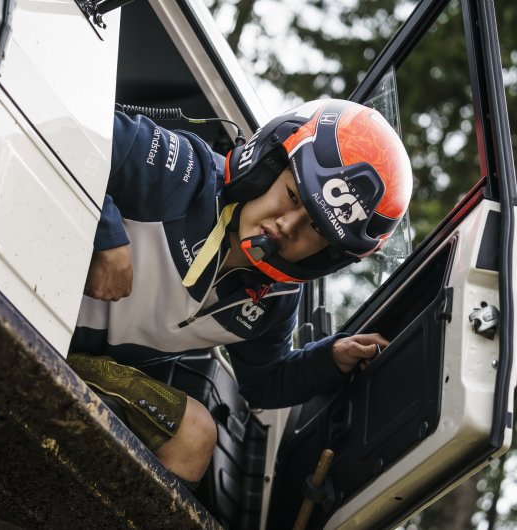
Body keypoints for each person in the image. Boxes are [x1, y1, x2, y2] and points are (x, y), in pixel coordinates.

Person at [68, 99, 413, 486]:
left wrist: (330, 359)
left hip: (75, 358)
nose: (287, 225)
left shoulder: (275, 301)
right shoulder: (185, 171)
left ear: (328, 254)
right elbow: (72, 130)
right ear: (266, 166)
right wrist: (107, 237)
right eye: (293, 196)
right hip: (23, 293)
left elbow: (264, 383)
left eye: (316, 228)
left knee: (194, 438)